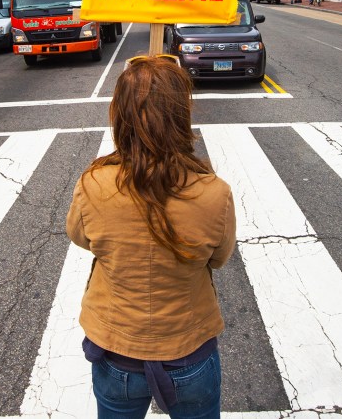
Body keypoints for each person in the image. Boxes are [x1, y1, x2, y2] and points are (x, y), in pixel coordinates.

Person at [67, 55, 236, 419]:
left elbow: (81, 238)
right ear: (181, 116)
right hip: (189, 348)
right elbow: (219, 258)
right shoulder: (213, 192)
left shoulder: (93, 184)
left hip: (117, 348)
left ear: (121, 115)